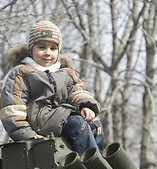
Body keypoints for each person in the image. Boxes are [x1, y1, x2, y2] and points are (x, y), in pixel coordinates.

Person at [0, 20, 104, 156]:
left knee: (95, 124)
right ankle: (94, 167)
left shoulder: (64, 72)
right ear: (31, 49)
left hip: (62, 118)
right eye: (42, 47)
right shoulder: (22, 72)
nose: (48, 53)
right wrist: (26, 133)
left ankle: (100, 163)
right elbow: (12, 109)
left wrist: (86, 106)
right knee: (77, 123)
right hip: (38, 124)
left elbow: (77, 92)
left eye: (53, 48)